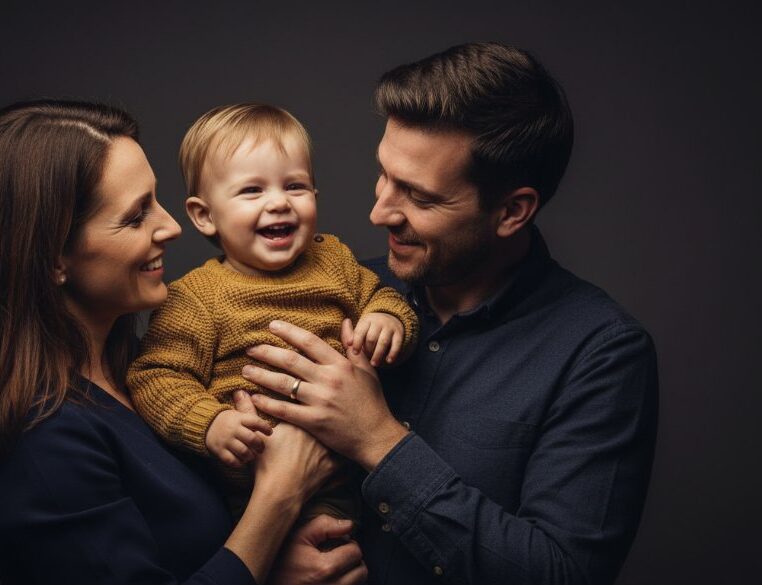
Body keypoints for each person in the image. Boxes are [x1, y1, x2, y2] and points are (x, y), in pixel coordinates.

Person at [240, 42, 659, 584]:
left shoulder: (602, 353)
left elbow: (562, 575)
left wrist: (378, 440)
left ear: (512, 211)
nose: (378, 210)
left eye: (418, 195)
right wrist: (268, 556)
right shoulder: (337, 291)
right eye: (383, 175)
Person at [0, 100, 367, 585]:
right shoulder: (38, 445)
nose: (169, 227)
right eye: (135, 216)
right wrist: (280, 498)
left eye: (156, 200)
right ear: (53, 258)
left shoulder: (141, 373)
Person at [127, 104, 417, 521]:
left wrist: (387, 321)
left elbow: (382, 298)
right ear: (204, 216)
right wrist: (211, 423)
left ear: (315, 195)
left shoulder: (333, 258)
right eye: (252, 191)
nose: (279, 203)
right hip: (249, 490)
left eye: (295, 186)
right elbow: (155, 376)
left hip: (350, 476)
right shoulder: (194, 298)